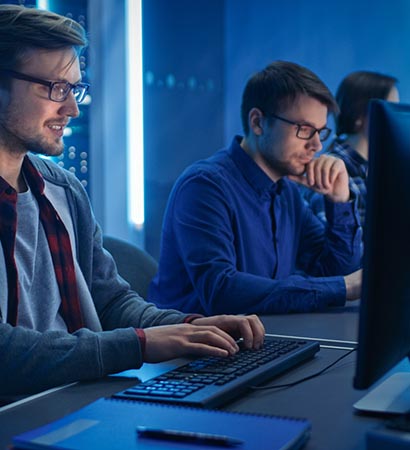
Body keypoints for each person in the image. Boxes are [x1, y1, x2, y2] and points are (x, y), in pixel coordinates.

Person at [0, 4, 265, 397]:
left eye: (75, 89)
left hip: (78, 395)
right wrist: (142, 344)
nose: (71, 108)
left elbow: (110, 302)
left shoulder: (62, 189)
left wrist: (188, 327)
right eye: (55, 88)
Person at [148, 61, 363, 316]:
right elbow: (222, 291)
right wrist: (343, 287)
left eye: (321, 132)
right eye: (305, 130)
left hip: (262, 340)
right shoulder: (204, 187)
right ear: (258, 122)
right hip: (193, 350)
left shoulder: (287, 193)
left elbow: (336, 271)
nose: (316, 145)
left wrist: (340, 200)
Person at [303, 70, 399, 226]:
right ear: (359, 116)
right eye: (389, 111)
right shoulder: (330, 172)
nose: (395, 121)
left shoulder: (378, 170)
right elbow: (329, 245)